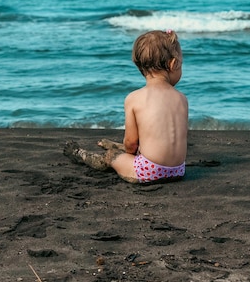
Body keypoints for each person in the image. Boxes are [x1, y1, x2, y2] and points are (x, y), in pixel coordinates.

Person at [65, 29, 189, 183]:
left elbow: (131, 145)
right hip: (178, 170)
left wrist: (127, 151)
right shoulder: (182, 98)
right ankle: (112, 145)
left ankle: (80, 154)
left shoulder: (134, 98)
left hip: (150, 171)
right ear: (173, 64)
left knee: (111, 156)